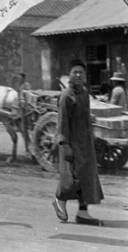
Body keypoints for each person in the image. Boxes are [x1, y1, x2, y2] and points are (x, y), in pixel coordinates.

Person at [52, 59, 104, 226]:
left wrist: (92, 137)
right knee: (71, 177)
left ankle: (83, 212)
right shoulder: (66, 96)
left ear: (85, 76)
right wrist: (64, 144)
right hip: (71, 143)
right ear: (69, 75)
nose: (78, 75)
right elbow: (62, 122)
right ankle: (59, 200)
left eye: (81, 72)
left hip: (85, 144)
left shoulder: (85, 94)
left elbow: (86, 117)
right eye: (75, 72)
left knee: (87, 177)